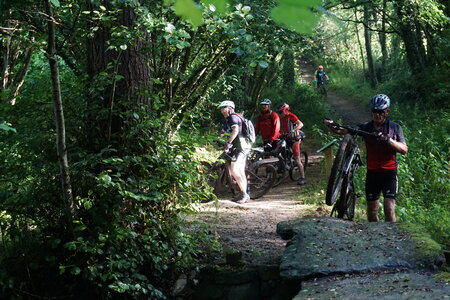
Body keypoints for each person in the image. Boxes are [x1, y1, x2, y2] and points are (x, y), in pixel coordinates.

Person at [324, 94, 408, 222]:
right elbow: (344, 131)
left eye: (380, 111)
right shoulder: (366, 127)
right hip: (372, 173)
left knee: (389, 209)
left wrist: (388, 140)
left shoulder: (394, 127)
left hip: (389, 173)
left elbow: (404, 149)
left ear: (387, 111)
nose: (377, 115)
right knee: (372, 212)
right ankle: (375, 239)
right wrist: (331, 126)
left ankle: (391, 239)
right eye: (375, 111)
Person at [217, 100, 252, 204]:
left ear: (230, 108)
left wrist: (228, 143)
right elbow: (223, 131)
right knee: (240, 171)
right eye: (221, 109)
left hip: (241, 147)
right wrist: (216, 138)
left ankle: (244, 194)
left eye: (224, 108)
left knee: (235, 170)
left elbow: (235, 130)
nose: (222, 111)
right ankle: (243, 194)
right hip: (239, 147)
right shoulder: (228, 120)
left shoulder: (233, 117)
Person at [277, 103, 307, 185]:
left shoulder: (291, 116)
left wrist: (294, 130)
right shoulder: (281, 118)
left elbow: (301, 124)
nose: (279, 114)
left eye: (281, 112)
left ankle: (302, 177)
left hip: (294, 139)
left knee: (297, 159)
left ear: (286, 111)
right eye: (278, 112)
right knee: (279, 150)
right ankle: (281, 168)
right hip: (286, 138)